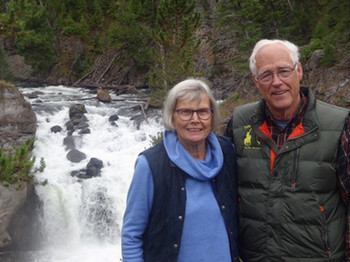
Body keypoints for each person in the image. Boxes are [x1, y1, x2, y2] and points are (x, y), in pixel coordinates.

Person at [225, 38, 350, 261]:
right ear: (256, 81)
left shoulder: (338, 124)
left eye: (284, 71)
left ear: (299, 71)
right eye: (266, 75)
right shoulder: (239, 124)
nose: (277, 82)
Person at [122, 78, 240, 262]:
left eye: (202, 111)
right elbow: (131, 236)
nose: (195, 120)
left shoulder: (227, 153)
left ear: (212, 116)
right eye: (185, 112)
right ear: (172, 117)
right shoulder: (151, 164)